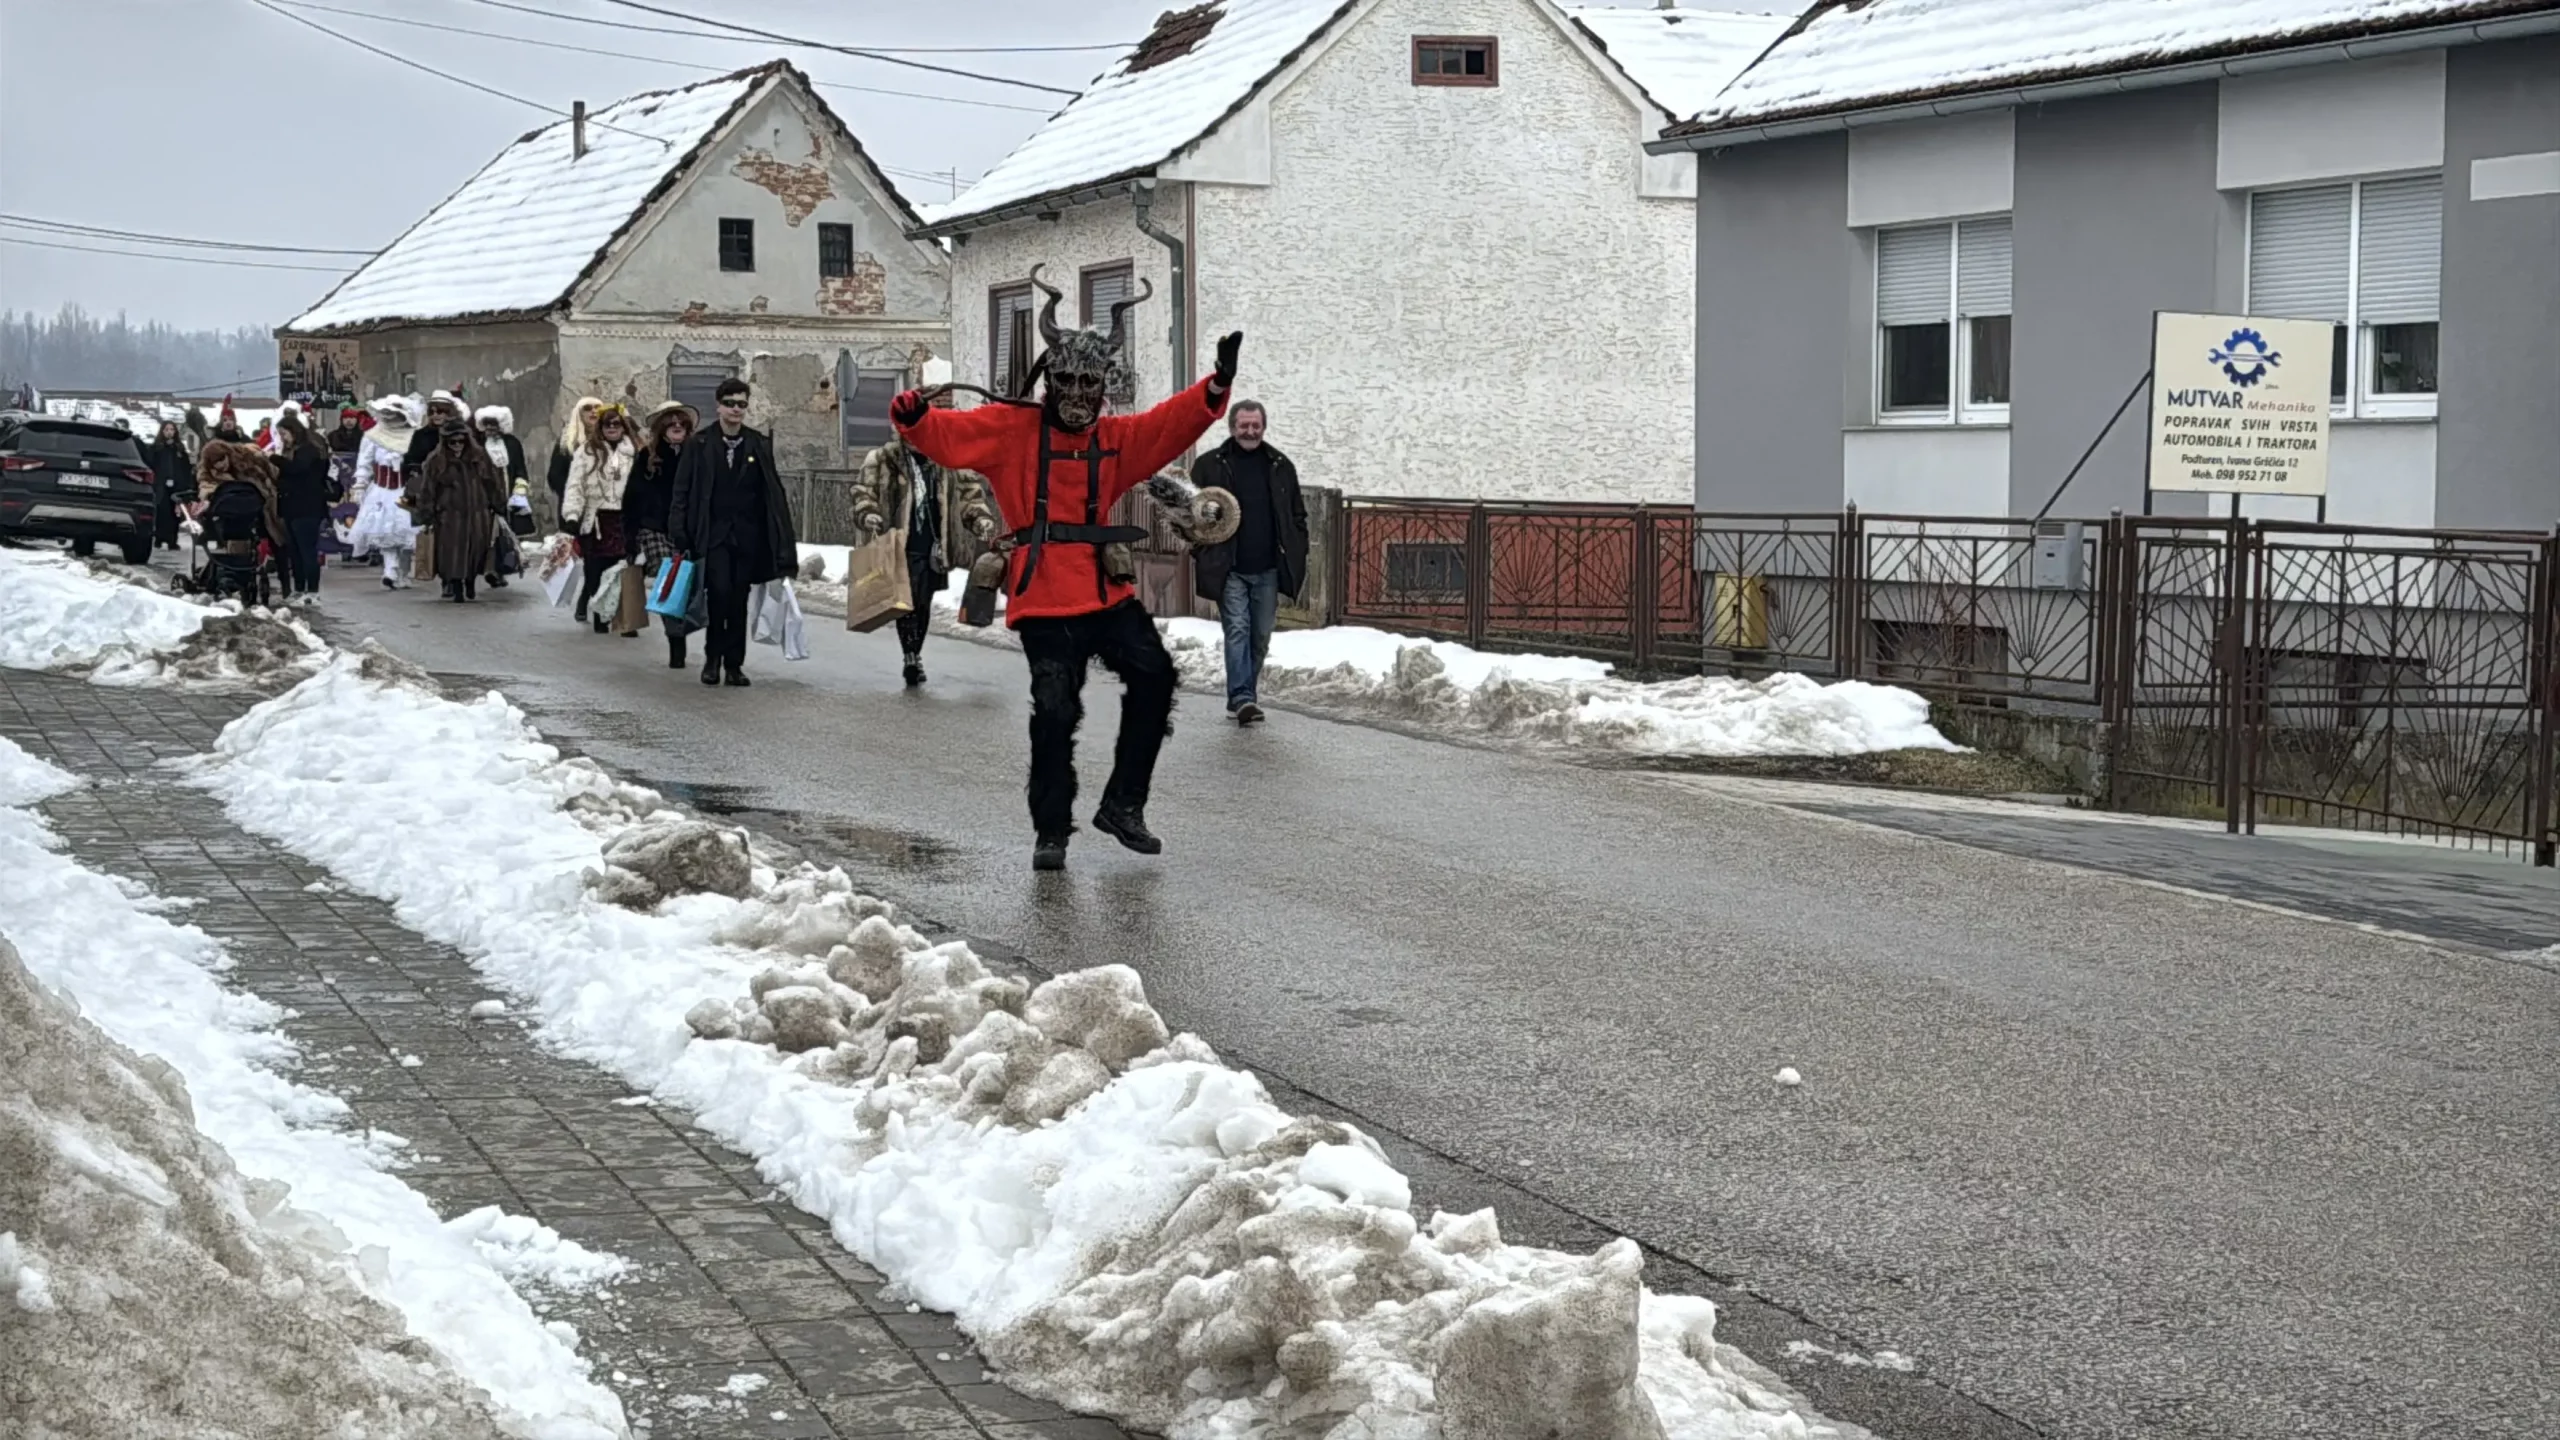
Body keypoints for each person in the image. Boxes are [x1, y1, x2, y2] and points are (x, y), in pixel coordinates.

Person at [891, 267, 1242, 870]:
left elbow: (1167, 424)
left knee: (1156, 677)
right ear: (1050, 383)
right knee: (1056, 712)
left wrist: (1217, 387)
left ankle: (1124, 804)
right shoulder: (1011, 429)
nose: (1078, 396)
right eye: (1068, 382)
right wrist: (913, 417)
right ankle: (1051, 829)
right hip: (1044, 599)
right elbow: (947, 439)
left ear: (1104, 386)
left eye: (1090, 383)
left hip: (1105, 592)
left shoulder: (1116, 438)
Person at [853, 402, 995, 687]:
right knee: (906, 602)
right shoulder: (882, 459)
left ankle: (914, 652)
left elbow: (970, 496)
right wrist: (867, 513)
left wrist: (980, 519)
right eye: (910, 434)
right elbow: (863, 492)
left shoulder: (948, 459)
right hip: (898, 544)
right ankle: (910, 657)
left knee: (924, 601)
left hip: (933, 545)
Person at [669, 377, 798, 688]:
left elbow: (772, 492)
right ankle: (712, 659)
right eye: (730, 403)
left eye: (741, 404)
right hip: (712, 535)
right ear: (719, 406)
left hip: (747, 536)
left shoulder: (757, 444)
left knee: (738, 599)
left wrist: (780, 540)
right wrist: (679, 532)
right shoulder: (699, 444)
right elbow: (682, 490)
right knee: (719, 596)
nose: (736, 409)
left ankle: (735, 665)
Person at [1187, 400, 1307, 725]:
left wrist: (1299, 549)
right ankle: (1242, 698)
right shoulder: (1210, 465)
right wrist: (1202, 551)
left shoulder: (1280, 466)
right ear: (1232, 427)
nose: (1250, 431)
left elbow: (1297, 515)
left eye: (1256, 425)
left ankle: (1244, 697)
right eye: (1244, 425)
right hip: (1229, 567)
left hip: (1267, 567)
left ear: (1263, 427)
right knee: (1237, 629)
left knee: (1261, 635)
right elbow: (1189, 516)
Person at [624, 401, 695, 670]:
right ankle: (676, 641)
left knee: (689, 586)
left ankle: (685, 632)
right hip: (654, 529)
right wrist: (629, 539)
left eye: (682, 421)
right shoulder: (647, 458)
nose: (677, 425)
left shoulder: (698, 455)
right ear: (661, 428)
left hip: (689, 530)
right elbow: (631, 499)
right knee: (670, 581)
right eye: (671, 421)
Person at [560, 403, 638, 635]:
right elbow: (575, 485)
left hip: (625, 517)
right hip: (596, 519)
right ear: (600, 427)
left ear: (624, 427)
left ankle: (627, 620)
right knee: (596, 569)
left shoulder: (634, 451)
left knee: (627, 568)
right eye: (607, 424)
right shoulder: (586, 451)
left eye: (617, 424)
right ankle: (600, 615)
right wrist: (572, 515)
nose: (612, 428)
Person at [412, 418, 506, 602]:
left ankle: (470, 581)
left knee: (476, 549)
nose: (457, 445)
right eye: (452, 442)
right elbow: (427, 489)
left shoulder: (479, 457)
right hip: (448, 514)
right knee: (450, 551)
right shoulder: (436, 460)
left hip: (477, 513)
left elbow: (492, 483)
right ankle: (455, 586)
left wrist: (499, 504)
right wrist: (426, 513)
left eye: (461, 441)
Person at [348, 396, 423, 588]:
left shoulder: (414, 436)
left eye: (395, 415)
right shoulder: (373, 436)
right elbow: (364, 463)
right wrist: (359, 485)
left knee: (406, 531)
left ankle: (404, 573)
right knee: (384, 530)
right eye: (387, 415)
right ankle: (390, 569)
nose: (391, 419)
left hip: (407, 490)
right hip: (381, 490)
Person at [270, 412, 338, 604]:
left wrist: (276, 460)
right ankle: (299, 588)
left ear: (294, 432)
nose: (283, 438)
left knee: (307, 549)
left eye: (284, 433)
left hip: (307, 506)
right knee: (295, 551)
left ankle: (312, 590)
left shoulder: (308, 450)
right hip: (291, 506)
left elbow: (297, 470)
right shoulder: (292, 451)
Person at [475, 406, 529, 588]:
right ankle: (488, 568)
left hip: (507, 494)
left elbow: (520, 467)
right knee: (487, 533)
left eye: (494, 424)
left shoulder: (512, 443)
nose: (490, 428)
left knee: (504, 534)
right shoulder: (478, 444)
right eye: (487, 424)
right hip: (483, 496)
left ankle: (499, 569)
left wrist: (520, 488)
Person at [547, 396, 598, 534]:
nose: (593, 411)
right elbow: (555, 476)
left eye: (597, 408)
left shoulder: (609, 440)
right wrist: (576, 495)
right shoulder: (566, 443)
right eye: (587, 408)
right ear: (579, 413)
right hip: (574, 510)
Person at [142, 420, 193, 551]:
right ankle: (159, 538)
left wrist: (185, 484)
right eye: (167, 430)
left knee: (174, 514)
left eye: (172, 430)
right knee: (161, 512)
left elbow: (185, 468)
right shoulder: (156, 448)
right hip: (160, 485)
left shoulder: (179, 449)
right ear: (162, 431)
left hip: (176, 487)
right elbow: (150, 463)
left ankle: (172, 540)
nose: (169, 432)